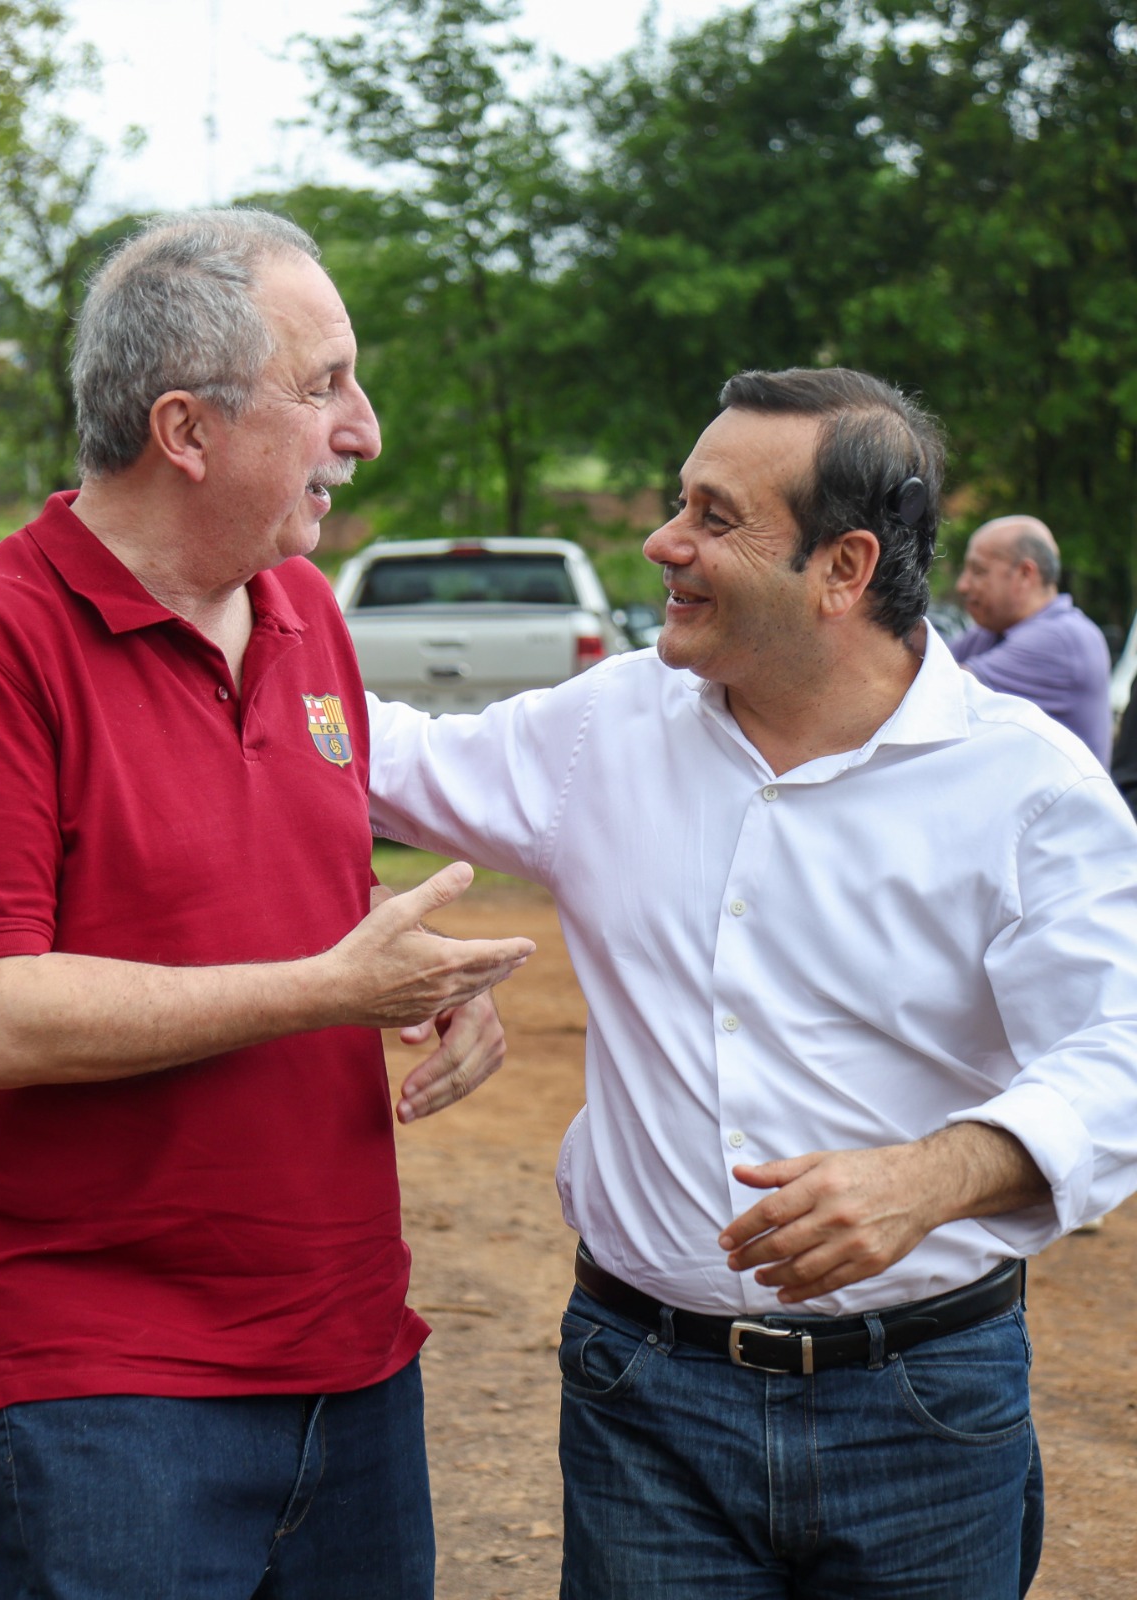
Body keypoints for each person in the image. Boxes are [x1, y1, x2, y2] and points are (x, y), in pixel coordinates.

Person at [364, 367, 1137, 1599]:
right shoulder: (604, 726)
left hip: (922, 1406)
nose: (662, 541)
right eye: (679, 501)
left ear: (843, 567)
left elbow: (1119, 1056)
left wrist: (930, 1176)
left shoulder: (1027, 788)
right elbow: (364, 757)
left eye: (714, 517)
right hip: (641, 1399)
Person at [0, 209, 535, 1600]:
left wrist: (422, 985)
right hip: (104, 1388)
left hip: (352, 1356)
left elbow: (291, 897)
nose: (365, 429)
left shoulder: (308, 612)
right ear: (185, 429)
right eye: (323, 384)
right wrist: (332, 990)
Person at [950, 513, 1112, 763]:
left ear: (1025, 574)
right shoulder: (992, 630)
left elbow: (936, 690)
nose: (963, 585)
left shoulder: (1063, 638)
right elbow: (924, 664)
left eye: (978, 571)